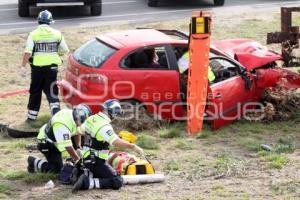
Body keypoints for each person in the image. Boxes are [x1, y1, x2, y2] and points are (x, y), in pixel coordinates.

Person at [72, 99, 145, 192]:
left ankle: (81, 172)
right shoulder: (104, 126)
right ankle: (87, 183)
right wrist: (133, 147)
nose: (115, 117)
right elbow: (115, 142)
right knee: (117, 181)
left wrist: (78, 146)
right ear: (113, 112)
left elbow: (79, 131)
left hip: (86, 159)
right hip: (96, 161)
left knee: (102, 172)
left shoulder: (92, 118)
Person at [21, 10, 69, 122]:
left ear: (38, 21)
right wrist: (54, 54)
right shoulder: (57, 34)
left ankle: (31, 118)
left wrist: (23, 66)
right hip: (52, 69)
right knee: (51, 90)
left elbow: (27, 52)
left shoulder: (33, 34)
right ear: (50, 22)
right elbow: (65, 50)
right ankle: (56, 115)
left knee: (35, 91)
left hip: (37, 69)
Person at [27, 104, 92, 174]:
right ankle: (33, 162)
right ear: (78, 118)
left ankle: (72, 158)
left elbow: (77, 131)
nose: (83, 123)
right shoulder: (62, 126)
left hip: (56, 136)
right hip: (46, 143)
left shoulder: (72, 114)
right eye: (82, 121)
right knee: (56, 169)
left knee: (84, 135)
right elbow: (68, 146)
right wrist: (78, 160)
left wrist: (78, 147)